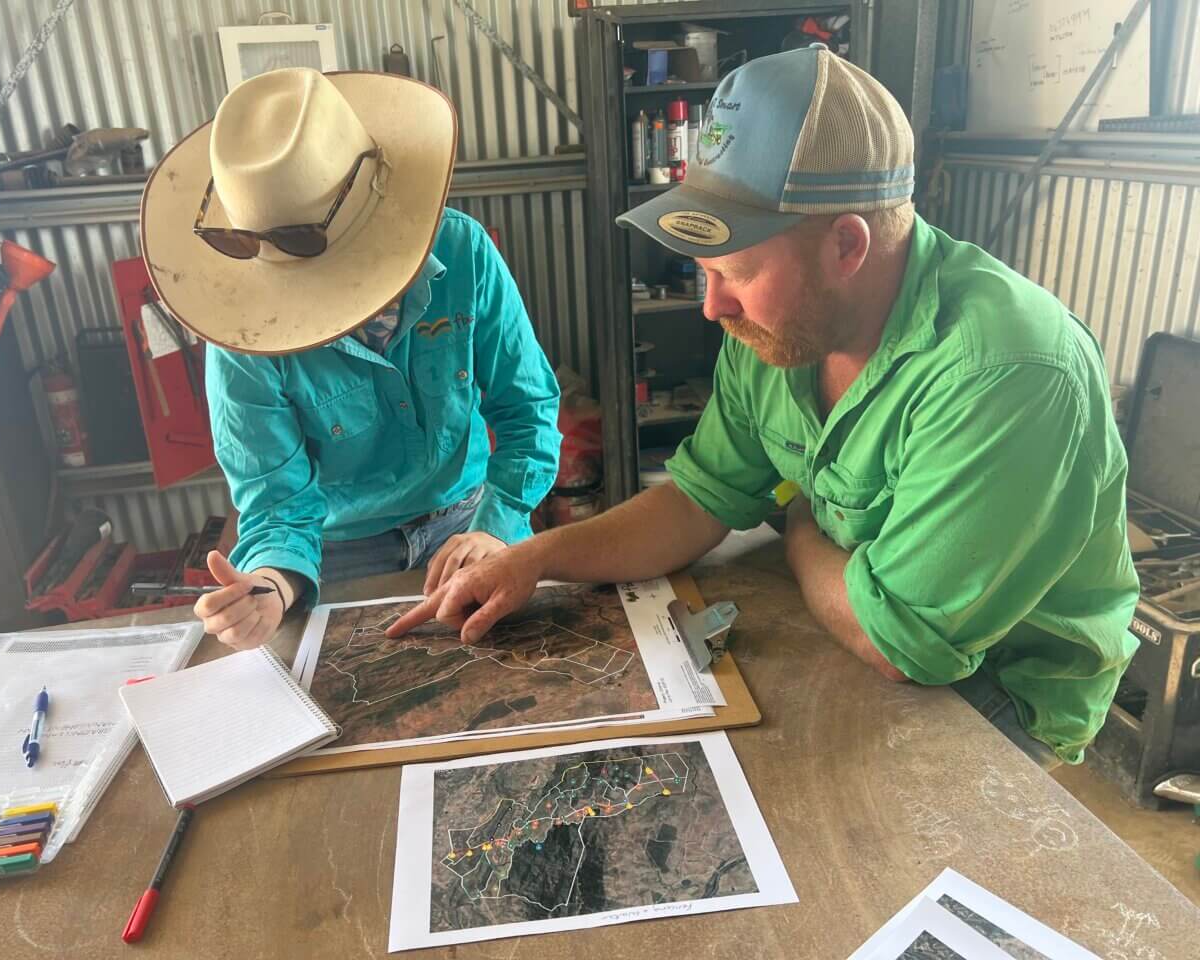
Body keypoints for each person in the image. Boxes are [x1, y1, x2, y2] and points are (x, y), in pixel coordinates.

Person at [389, 47, 1140, 767]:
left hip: (994, 690)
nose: (712, 306)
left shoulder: (1006, 371)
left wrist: (803, 528)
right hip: (849, 619)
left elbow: (902, 649)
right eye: (703, 271)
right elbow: (695, 500)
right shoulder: (780, 331)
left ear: (847, 246)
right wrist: (534, 560)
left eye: (735, 271)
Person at [140, 67, 561, 651]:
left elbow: (528, 411)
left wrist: (499, 524)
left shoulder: (464, 254)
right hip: (335, 551)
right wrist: (270, 587)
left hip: (469, 518)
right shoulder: (244, 331)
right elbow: (277, 501)